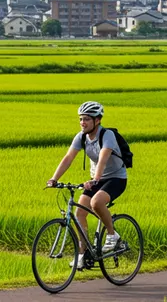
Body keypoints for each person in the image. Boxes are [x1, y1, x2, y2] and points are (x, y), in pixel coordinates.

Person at [47, 101, 127, 268]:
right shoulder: (81, 137)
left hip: (115, 179)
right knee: (80, 213)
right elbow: (68, 158)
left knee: (96, 202)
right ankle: (83, 254)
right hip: (96, 179)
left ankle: (112, 235)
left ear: (97, 120)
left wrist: (95, 179)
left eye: (86, 119)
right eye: (81, 119)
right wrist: (54, 179)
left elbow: (103, 159)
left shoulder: (107, 136)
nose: (82, 122)